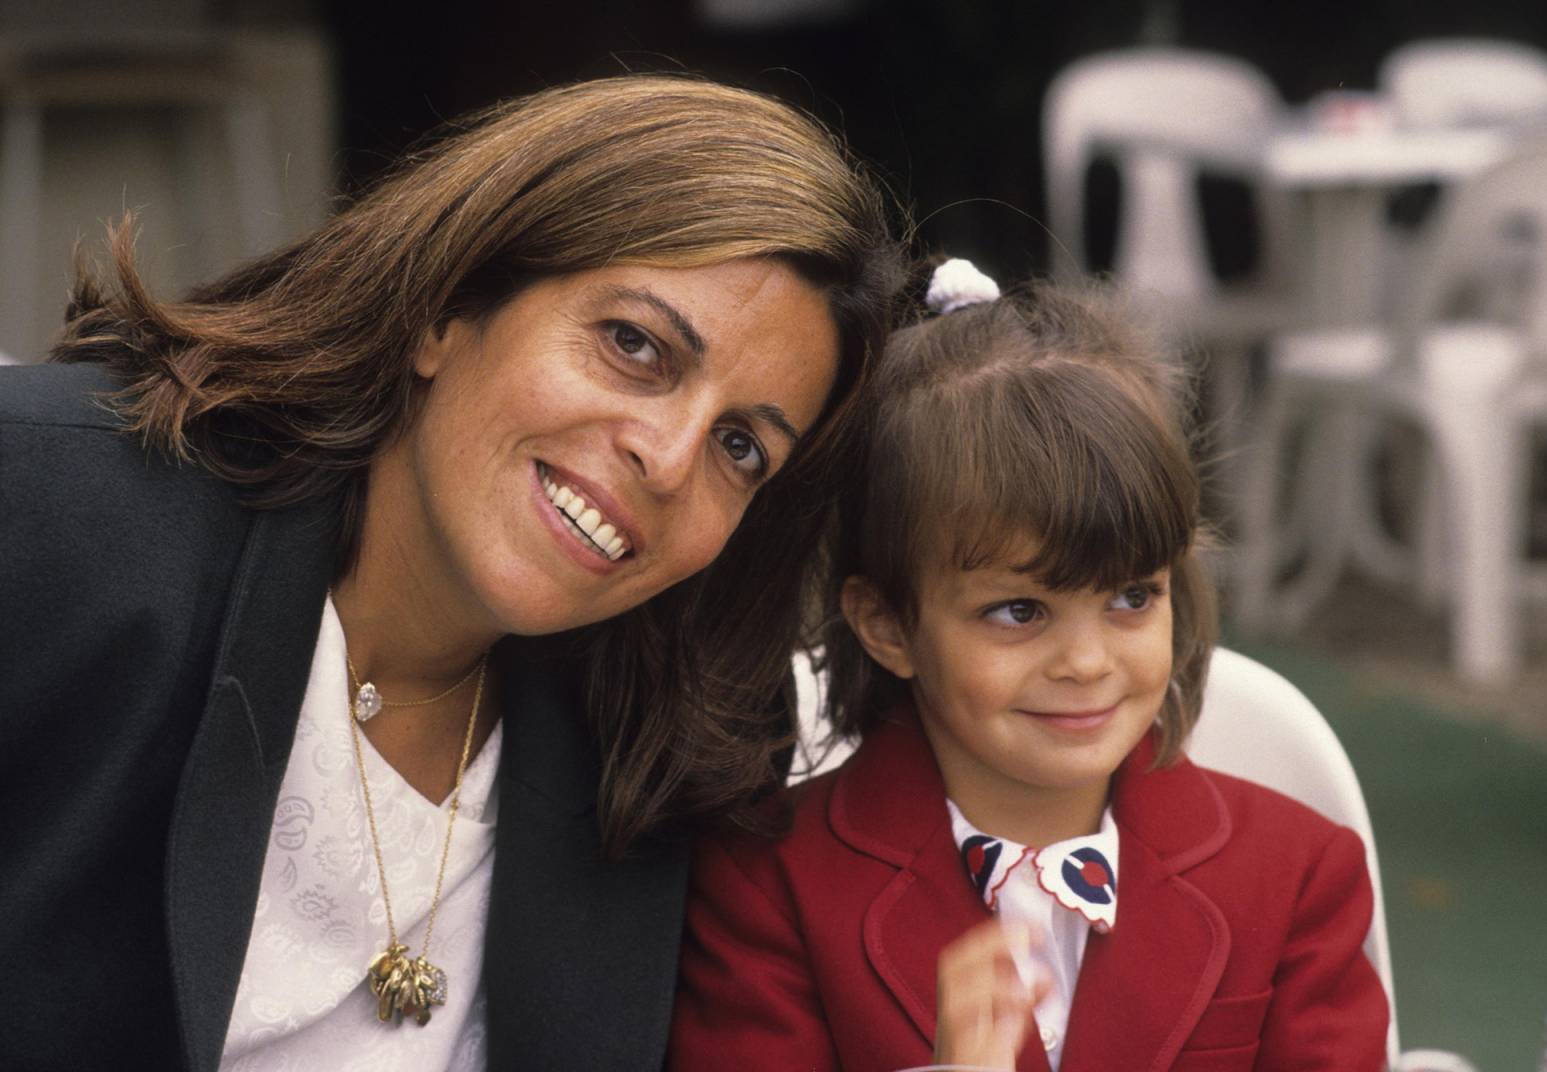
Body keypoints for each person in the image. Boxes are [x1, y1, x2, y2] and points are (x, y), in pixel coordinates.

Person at [0, 75, 903, 1071]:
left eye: (741, 448)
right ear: (447, 308)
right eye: (634, 345)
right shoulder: (49, 510)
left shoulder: (664, 762)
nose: (671, 455)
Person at [670, 263, 1390, 1070]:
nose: (1086, 663)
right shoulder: (767, 886)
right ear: (886, 625)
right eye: (1019, 611)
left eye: (1130, 597)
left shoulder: (1295, 870)